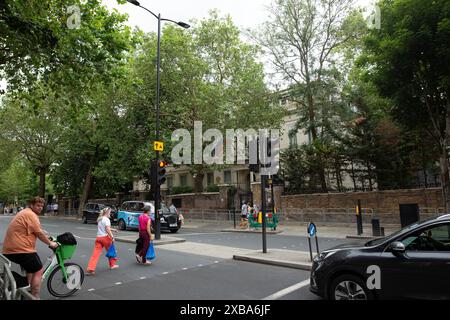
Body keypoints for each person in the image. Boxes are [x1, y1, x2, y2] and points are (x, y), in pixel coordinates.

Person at [2, 197, 59, 299]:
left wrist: (43, 232)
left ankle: (28, 286)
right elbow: (39, 234)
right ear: (31, 205)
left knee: (31, 267)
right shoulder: (30, 214)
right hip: (20, 250)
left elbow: (35, 229)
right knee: (38, 270)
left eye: (42, 206)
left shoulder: (26, 212)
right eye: (38, 205)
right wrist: (51, 243)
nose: (40, 208)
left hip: (10, 249)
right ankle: (35, 296)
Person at [86, 207, 119, 275]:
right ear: (107, 212)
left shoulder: (100, 219)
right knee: (111, 251)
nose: (110, 213)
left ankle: (91, 268)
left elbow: (104, 228)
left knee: (95, 254)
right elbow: (107, 229)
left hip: (98, 238)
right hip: (105, 238)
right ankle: (112, 265)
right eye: (110, 212)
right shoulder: (107, 219)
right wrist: (112, 236)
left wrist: (113, 230)